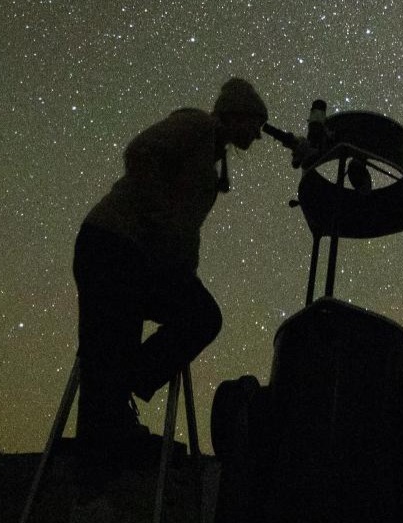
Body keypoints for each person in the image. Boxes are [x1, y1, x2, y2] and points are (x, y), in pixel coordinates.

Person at [72, 78, 268, 471]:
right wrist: (159, 220)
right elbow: (141, 151)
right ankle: (119, 393)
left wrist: (178, 257)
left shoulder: (210, 158)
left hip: (135, 259)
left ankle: (116, 395)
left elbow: (184, 229)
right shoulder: (197, 125)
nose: (257, 136)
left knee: (180, 324)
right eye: (255, 124)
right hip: (115, 247)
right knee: (198, 319)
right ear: (237, 114)